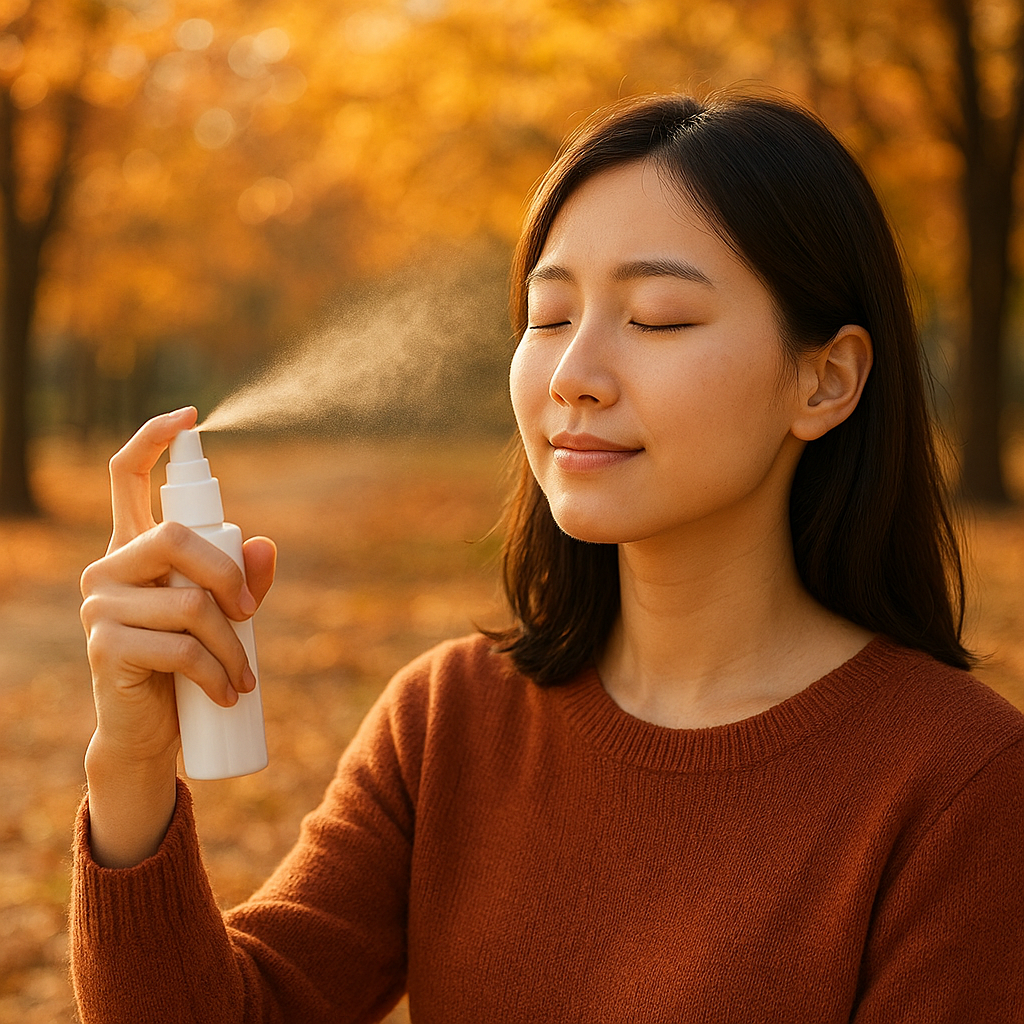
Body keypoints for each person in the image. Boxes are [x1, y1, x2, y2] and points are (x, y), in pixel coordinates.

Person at [71, 92, 1024, 1022]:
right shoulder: (448, 722)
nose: (574, 376)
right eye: (550, 316)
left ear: (826, 380)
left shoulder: (961, 787)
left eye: (658, 317)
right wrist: (133, 764)